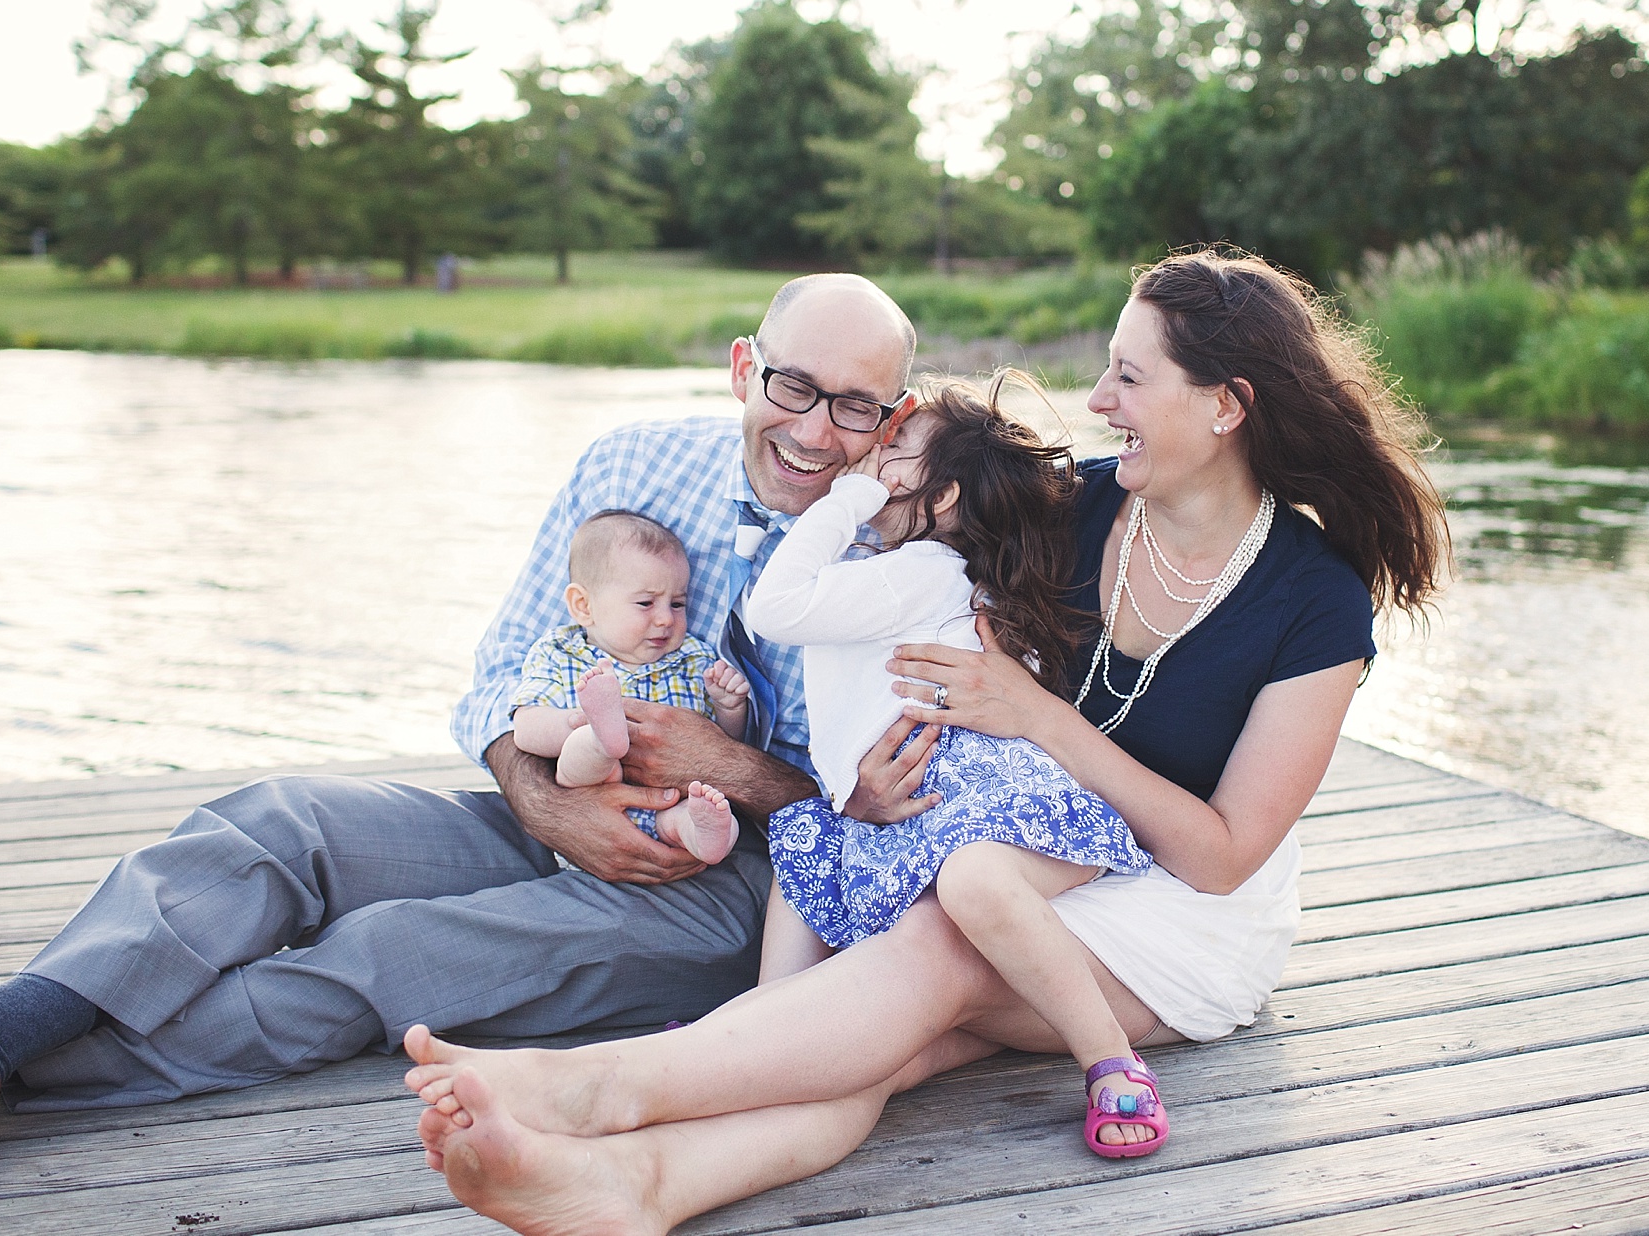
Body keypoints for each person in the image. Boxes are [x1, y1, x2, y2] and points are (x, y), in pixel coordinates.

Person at [0, 273, 939, 1180]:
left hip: (750, 902)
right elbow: (501, 669)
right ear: (742, 368)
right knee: (278, 822)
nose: (817, 432)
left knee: (390, 952)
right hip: (553, 805)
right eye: (793, 387)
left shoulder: (924, 555)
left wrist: (735, 769)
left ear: (894, 419)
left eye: (856, 407)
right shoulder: (632, 463)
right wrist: (540, 792)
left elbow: (908, 809)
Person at [397, 247, 1448, 1232]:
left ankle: (586, 1091)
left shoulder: (1312, 601)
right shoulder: (1070, 507)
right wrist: (861, 775)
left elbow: (1221, 858)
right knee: (887, 1043)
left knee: (937, 943)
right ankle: (641, 1187)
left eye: (1128, 378)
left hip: (1186, 916)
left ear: (1224, 405)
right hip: (1029, 855)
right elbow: (907, 537)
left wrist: (1031, 715)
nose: (1097, 403)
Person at [743, 377, 1164, 1156]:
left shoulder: (922, 571)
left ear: (941, 502)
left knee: (961, 881)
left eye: (896, 449)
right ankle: (751, 1036)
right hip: (913, 797)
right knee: (803, 849)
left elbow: (773, 608)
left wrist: (843, 501)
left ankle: (1111, 1061)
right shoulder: (926, 575)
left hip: (972, 791)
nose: (873, 457)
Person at [503, 509, 751, 865]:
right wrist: (574, 722)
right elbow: (525, 730)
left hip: (669, 799)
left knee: (691, 810)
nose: (666, 618)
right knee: (581, 751)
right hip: (592, 803)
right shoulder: (561, 653)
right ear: (583, 606)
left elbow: (724, 744)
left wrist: (729, 708)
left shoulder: (693, 658)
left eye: (677, 603)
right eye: (646, 603)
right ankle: (602, 737)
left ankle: (705, 834)